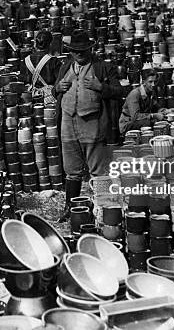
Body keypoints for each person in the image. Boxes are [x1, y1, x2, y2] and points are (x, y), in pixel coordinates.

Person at [53, 29, 123, 221]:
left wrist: (102, 88)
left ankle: (103, 209)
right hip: (68, 124)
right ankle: (70, 207)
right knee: (72, 170)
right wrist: (57, 88)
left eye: (83, 50)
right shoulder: (65, 66)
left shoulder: (102, 67)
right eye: (76, 50)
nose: (79, 54)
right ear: (71, 51)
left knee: (98, 170)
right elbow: (55, 90)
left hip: (93, 125)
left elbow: (118, 91)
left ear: (90, 49)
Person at [21, 30, 62, 106]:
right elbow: (59, 82)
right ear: (50, 44)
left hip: (31, 99)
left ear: (35, 44)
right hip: (49, 100)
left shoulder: (25, 60)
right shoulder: (54, 61)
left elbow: (23, 81)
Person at [119, 69, 164, 134]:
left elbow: (156, 107)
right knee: (149, 122)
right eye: (150, 82)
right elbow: (135, 116)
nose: (153, 85)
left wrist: (166, 111)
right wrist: (154, 115)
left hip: (141, 121)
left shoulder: (151, 92)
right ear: (143, 82)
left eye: (155, 82)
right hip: (127, 124)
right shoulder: (135, 94)